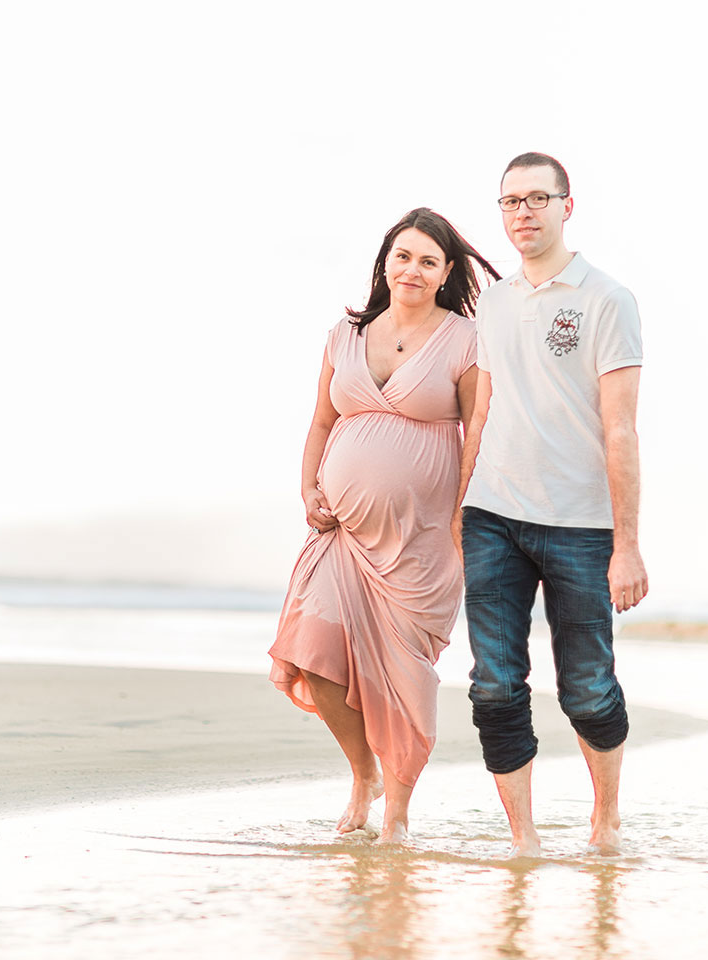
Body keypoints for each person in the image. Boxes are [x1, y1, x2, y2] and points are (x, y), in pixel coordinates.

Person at [269, 207, 498, 844]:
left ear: (447, 272)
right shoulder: (345, 334)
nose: (413, 270)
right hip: (340, 533)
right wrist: (309, 487)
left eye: (429, 260)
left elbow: (478, 430)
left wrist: (463, 517)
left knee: (404, 679)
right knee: (313, 653)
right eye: (403, 256)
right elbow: (320, 421)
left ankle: (396, 813)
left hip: (422, 542)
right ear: (385, 263)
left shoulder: (466, 338)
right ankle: (362, 774)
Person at [453, 152, 648, 858]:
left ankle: (605, 822)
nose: (523, 212)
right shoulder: (495, 301)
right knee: (495, 687)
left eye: (538, 198)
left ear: (569, 205)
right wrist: (458, 510)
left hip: (582, 524)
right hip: (493, 516)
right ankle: (524, 842)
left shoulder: (607, 299)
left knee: (589, 690)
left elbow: (620, 426)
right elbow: (480, 415)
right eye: (510, 202)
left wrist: (628, 544)